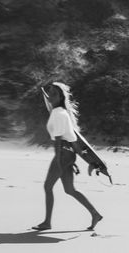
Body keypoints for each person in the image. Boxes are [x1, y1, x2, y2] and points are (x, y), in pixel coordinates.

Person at [32, 82, 103, 231]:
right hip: (69, 154)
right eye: (50, 94)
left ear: (61, 97)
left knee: (47, 186)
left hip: (63, 153)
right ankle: (95, 214)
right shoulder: (62, 112)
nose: (51, 97)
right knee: (70, 190)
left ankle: (47, 222)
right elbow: (71, 139)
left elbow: (58, 139)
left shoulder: (58, 114)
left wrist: (58, 161)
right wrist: (71, 159)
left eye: (54, 94)